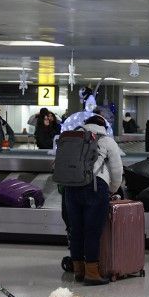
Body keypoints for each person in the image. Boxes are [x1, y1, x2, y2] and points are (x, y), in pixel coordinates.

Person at [64, 115, 123, 286]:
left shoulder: (73, 137)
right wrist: (112, 189)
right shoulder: (106, 141)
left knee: (75, 230)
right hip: (96, 188)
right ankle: (92, 273)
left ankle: (78, 270)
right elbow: (117, 171)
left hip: (71, 187)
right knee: (92, 231)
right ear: (103, 126)